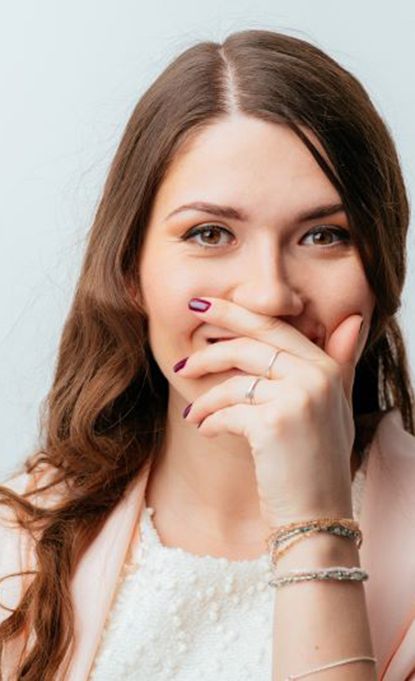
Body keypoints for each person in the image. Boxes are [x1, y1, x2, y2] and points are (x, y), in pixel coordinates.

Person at [1, 28, 415, 681]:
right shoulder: (18, 541)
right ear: (130, 268)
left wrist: (314, 515)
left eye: (322, 234)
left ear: (381, 269)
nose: (268, 294)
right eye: (209, 232)